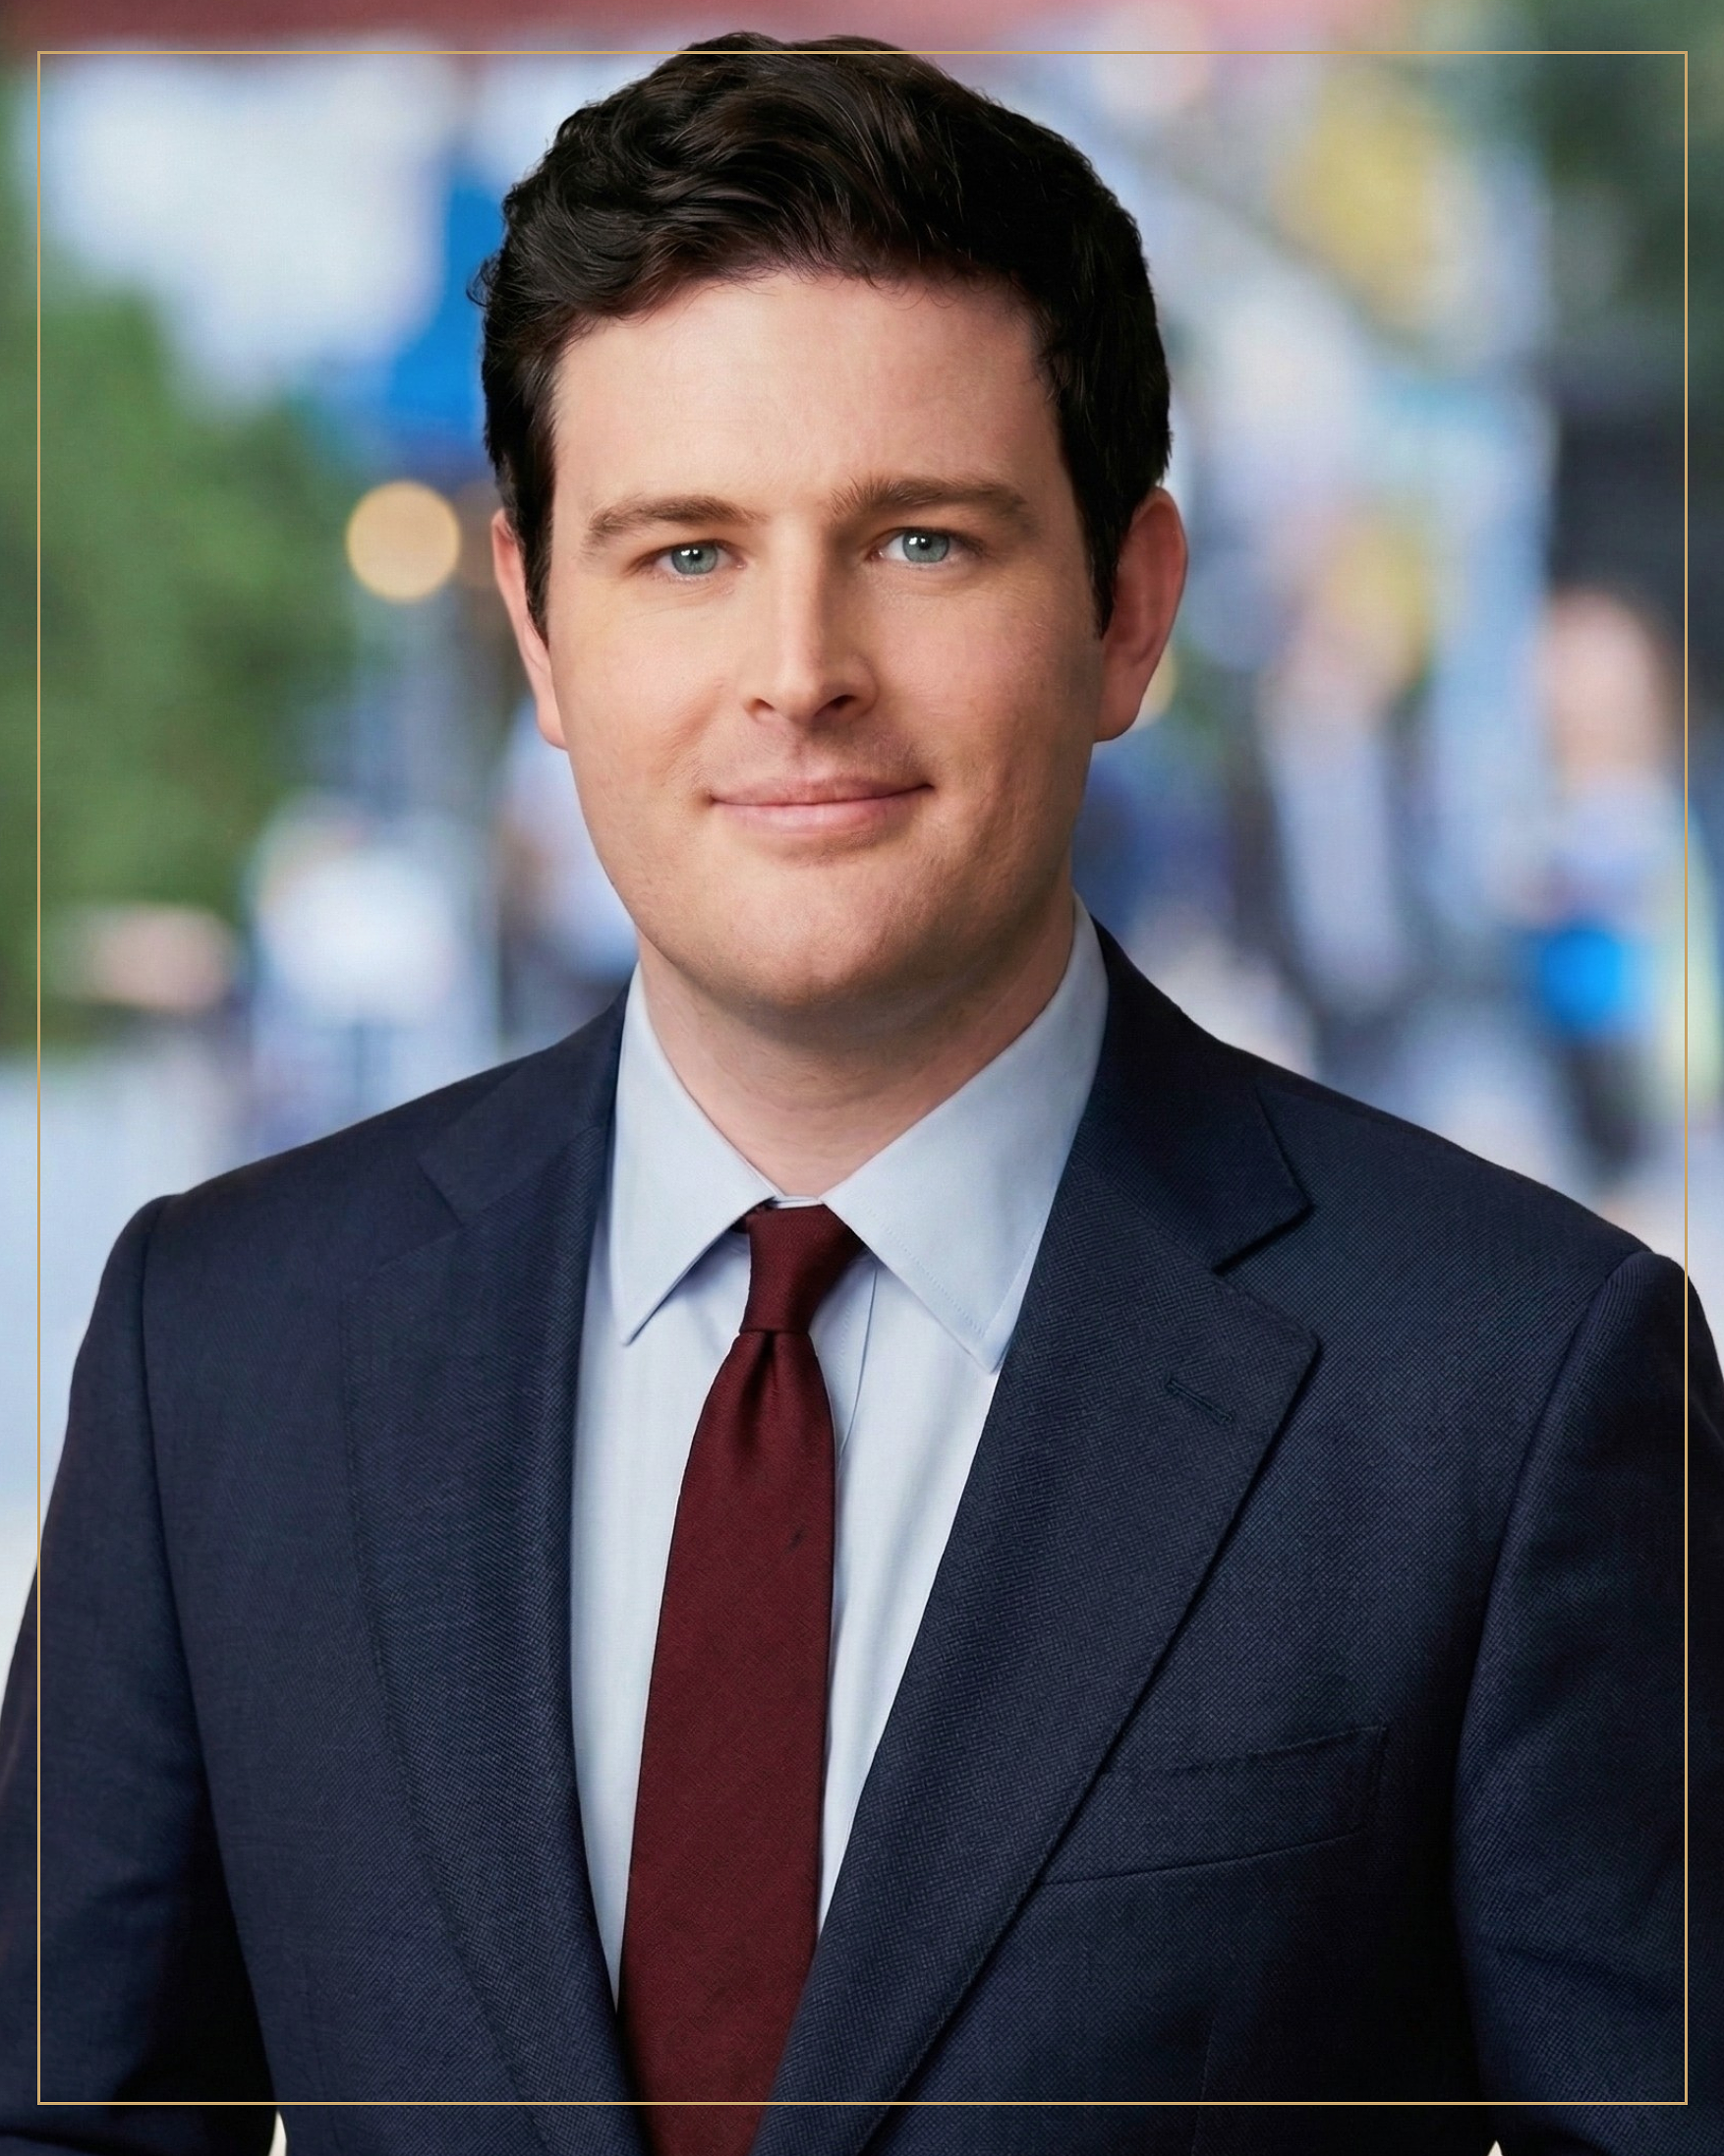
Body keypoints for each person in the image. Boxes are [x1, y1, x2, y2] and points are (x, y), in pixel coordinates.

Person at [2, 31, 1717, 2156]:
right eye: (683, 551)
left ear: (1127, 607)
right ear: (537, 630)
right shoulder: (223, 1349)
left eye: (916, 540)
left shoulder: (1510, 1383)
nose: (796, 665)